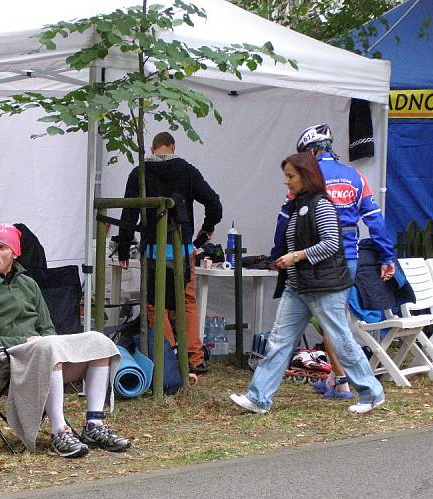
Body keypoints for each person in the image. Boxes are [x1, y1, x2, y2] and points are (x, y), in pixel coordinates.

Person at [0, 223, 131, 458]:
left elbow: (47, 330)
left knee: (98, 342)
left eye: (1, 247)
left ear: (15, 253)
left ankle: (94, 425)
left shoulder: (28, 284)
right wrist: (21, 341)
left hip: (40, 355)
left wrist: (40, 343)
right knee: (46, 347)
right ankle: (59, 431)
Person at [231, 152, 385, 415]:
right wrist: (286, 260)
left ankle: (371, 393)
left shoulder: (321, 205)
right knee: (280, 341)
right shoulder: (298, 206)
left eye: (290, 176)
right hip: (298, 285)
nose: (286, 182)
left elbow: (331, 243)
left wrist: (297, 256)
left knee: (341, 339)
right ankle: (258, 398)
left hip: (325, 286)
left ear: (306, 176)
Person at [274, 123, 395, 399]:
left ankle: (344, 381)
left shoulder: (307, 178)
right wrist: (387, 255)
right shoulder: (355, 176)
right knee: (335, 317)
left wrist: (277, 252)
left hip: (314, 257)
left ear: (311, 152)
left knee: (329, 321)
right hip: (350, 256)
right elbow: (375, 219)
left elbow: (285, 220)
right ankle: (336, 378)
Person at [118, 131, 222, 375]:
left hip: (154, 253)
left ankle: (169, 358)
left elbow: (128, 212)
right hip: (183, 251)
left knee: (156, 306)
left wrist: (124, 246)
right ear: (172, 147)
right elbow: (214, 203)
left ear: (153, 149)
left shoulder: (140, 173)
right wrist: (205, 232)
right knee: (186, 302)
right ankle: (195, 358)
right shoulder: (187, 171)